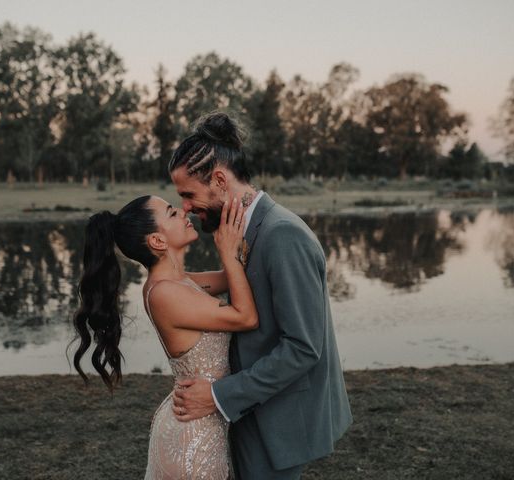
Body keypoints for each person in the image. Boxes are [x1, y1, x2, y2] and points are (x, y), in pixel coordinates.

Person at [169, 112, 353, 479]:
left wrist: (220, 395)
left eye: (188, 195)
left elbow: (303, 347)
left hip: (278, 418)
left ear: (219, 180)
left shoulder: (283, 235)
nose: (186, 208)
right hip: (251, 407)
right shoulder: (240, 231)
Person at [71, 193, 259, 479]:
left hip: (201, 424)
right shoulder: (164, 293)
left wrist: (236, 231)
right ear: (157, 241)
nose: (184, 213)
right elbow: (245, 317)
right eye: (172, 213)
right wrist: (227, 251)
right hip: (191, 442)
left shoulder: (179, 282)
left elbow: (233, 275)